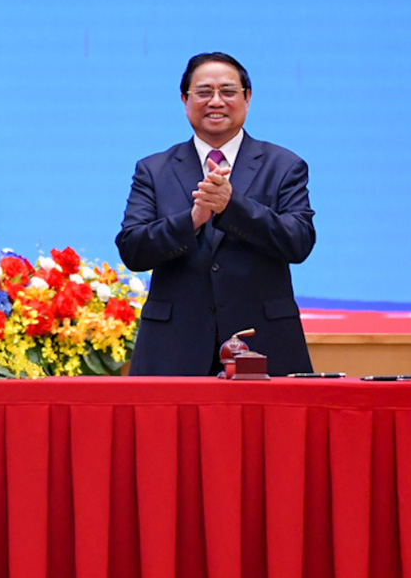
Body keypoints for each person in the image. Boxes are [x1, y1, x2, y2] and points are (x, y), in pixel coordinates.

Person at [116, 52, 315, 376]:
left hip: (262, 342)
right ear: (185, 100)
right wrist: (191, 221)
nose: (216, 101)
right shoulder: (153, 169)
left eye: (228, 91)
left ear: (247, 98)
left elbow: (299, 241)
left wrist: (232, 207)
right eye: (204, 92)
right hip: (173, 348)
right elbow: (133, 249)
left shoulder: (283, 165)